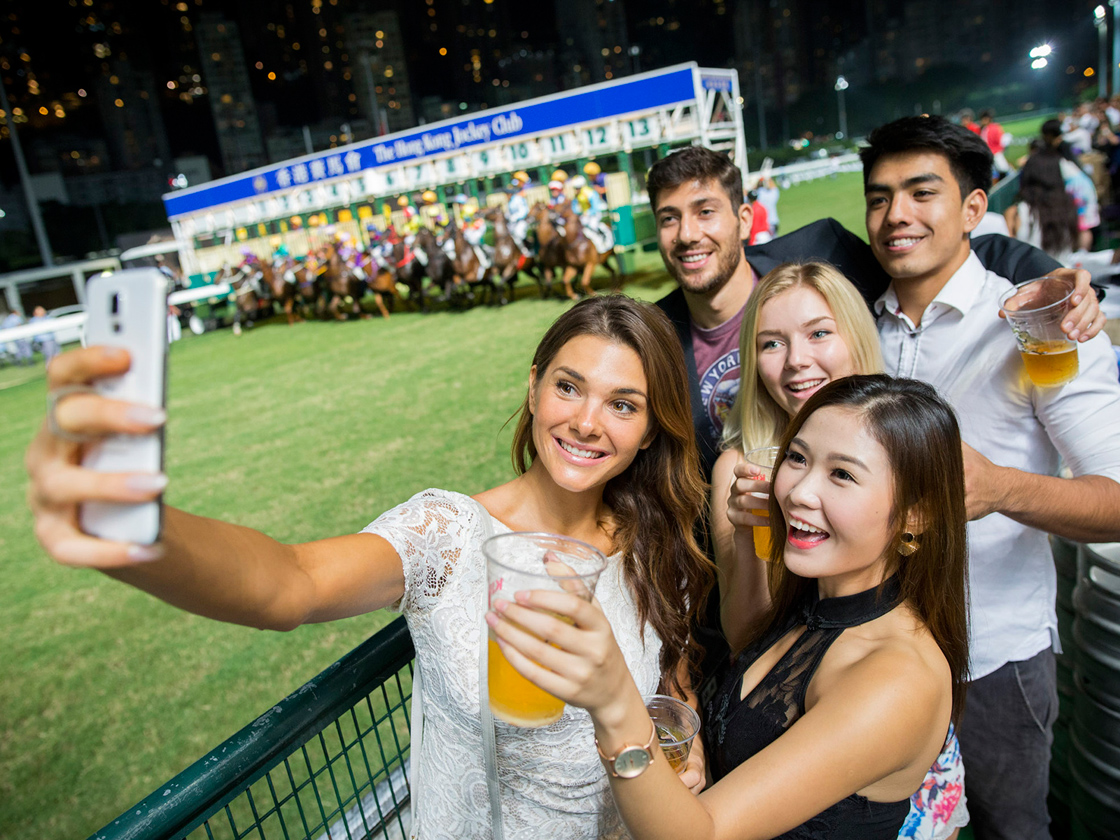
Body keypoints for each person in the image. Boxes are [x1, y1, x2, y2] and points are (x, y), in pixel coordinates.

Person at [25, 296, 714, 840]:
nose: (587, 421)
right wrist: (138, 530)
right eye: (569, 387)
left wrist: (687, 739)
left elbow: (670, 675)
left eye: (622, 404)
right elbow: (290, 583)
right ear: (534, 389)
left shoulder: (655, 542)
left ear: (650, 429)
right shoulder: (448, 533)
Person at [489, 373, 970, 840]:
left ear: (916, 513)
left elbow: (702, 832)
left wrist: (614, 700)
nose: (799, 492)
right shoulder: (821, 597)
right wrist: (746, 537)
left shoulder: (896, 682)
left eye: (842, 474)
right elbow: (750, 647)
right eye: (797, 458)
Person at [856, 115, 1120, 840]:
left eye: (922, 193)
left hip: (993, 657)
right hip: (871, 654)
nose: (897, 214)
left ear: (974, 207)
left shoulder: (1040, 324)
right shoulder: (850, 328)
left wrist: (1001, 487)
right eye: (879, 197)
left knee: (1012, 830)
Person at [646, 145, 1100, 482]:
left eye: (705, 211)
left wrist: (1053, 280)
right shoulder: (654, 337)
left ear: (744, 219)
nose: (687, 234)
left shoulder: (820, 254)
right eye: (668, 218)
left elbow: (935, 251)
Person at [714, 262, 967, 840]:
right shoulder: (743, 469)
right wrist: (753, 539)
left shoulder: (911, 437)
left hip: (888, 730)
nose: (796, 360)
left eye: (819, 333)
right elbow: (751, 640)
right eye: (771, 343)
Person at [977, 110, 1010, 180]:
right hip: (989, 154)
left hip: (995, 153)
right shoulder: (984, 129)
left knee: (1003, 170)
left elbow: (999, 141)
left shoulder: (994, 128)